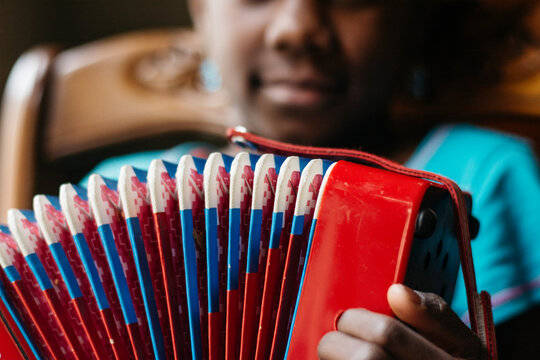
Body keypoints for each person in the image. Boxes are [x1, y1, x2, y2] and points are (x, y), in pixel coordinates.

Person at [90, 0, 540, 357]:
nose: (297, 29)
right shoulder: (119, 197)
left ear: (411, 19)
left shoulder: (485, 174)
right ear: (201, 10)